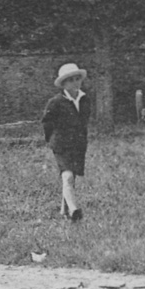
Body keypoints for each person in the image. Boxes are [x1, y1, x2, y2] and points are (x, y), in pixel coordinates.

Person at [42, 63, 92, 222]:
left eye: (77, 79)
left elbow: (84, 121)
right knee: (67, 176)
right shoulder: (56, 102)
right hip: (61, 144)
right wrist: (52, 139)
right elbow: (47, 123)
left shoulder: (84, 99)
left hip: (77, 144)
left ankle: (64, 210)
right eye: (70, 80)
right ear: (63, 84)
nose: (75, 83)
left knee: (71, 178)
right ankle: (74, 210)